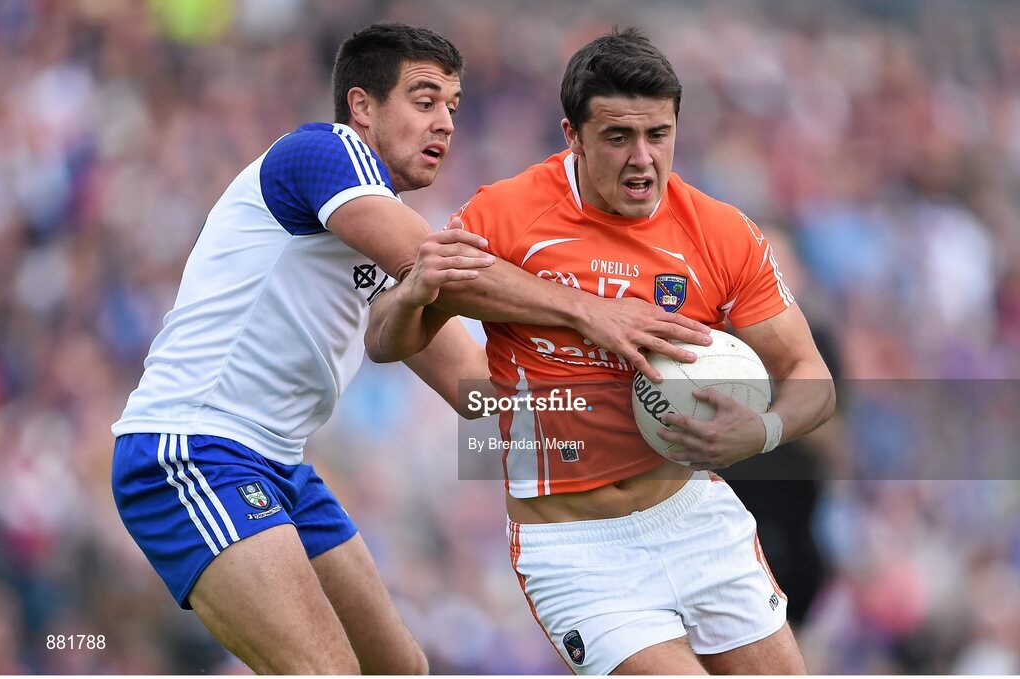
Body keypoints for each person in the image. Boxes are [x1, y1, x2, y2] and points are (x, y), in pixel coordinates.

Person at [111, 23, 710, 675]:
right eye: (424, 102)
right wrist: (592, 310)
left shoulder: (372, 234)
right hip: (190, 450)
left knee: (402, 667)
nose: (445, 124)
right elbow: (449, 268)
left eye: (452, 107)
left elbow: (475, 388)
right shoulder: (324, 153)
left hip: (276, 464)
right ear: (362, 106)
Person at [380, 28, 836, 674]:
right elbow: (387, 339)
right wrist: (411, 297)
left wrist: (762, 429)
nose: (643, 159)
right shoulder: (505, 218)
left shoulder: (721, 233)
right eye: (619, 137)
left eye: (659, 134)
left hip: (694, 517)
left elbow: (811, 376)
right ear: (572, 135)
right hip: (576, 547)